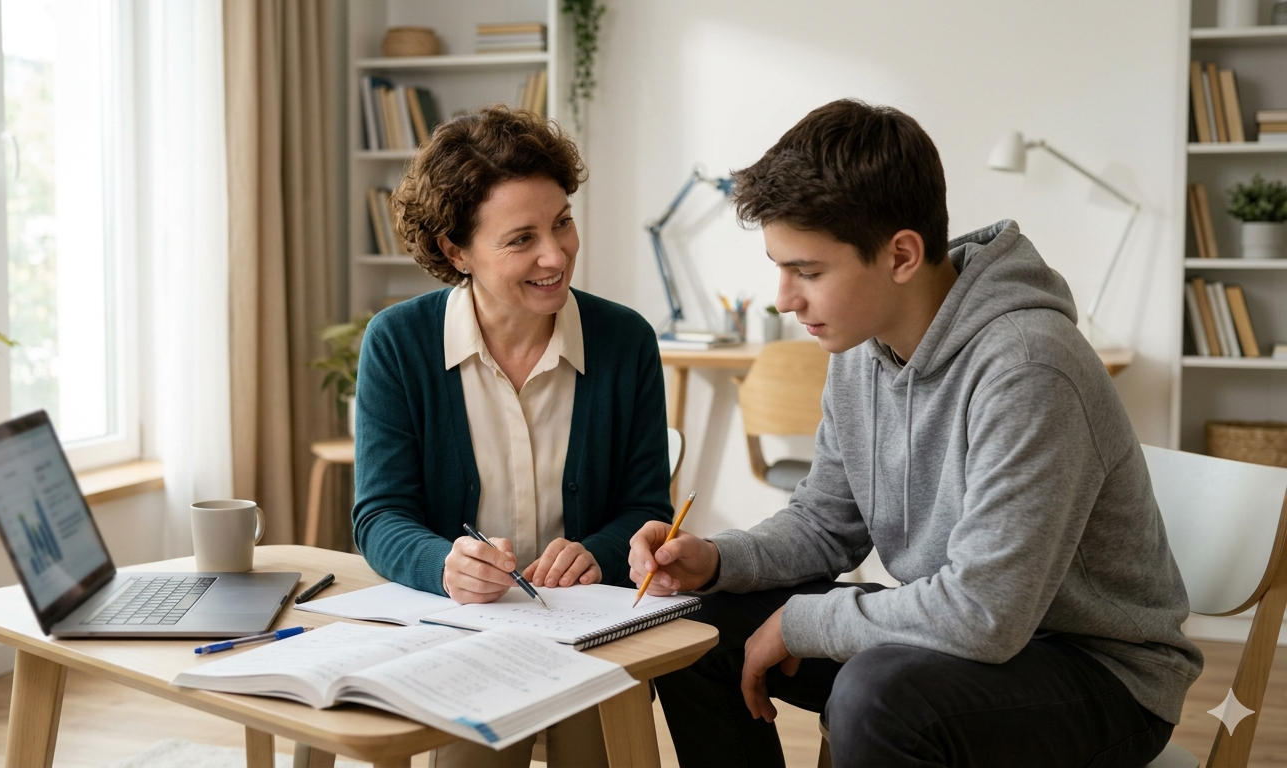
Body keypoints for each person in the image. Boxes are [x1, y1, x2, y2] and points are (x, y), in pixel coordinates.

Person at [629, 99, 1204, 767]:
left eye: (808, 272)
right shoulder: (857, 350)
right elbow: (825, 523)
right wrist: (719, 559)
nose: (784, 298)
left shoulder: (1029, 365)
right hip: (965, 637)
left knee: (877, 697)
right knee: (692, 623)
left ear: (901, 254)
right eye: (781, 268)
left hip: (1099, 673)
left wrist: (801, 622)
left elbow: (985, 613)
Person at [352, 105, 673, 767]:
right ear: (455, 250)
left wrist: (599, 551)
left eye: (561, 223)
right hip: (465, 633)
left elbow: (648, 508)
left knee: (599, 747)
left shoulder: (626, 341)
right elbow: (380, 515)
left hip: (591, 626)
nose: (555, 255)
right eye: (521, 238)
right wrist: (445, 565)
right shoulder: (398, 343)